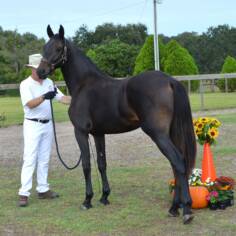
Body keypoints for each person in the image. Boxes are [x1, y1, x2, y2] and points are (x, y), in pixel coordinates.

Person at [18, 54, 71, 207]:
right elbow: (30, 104)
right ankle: (24, 193)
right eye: (37, 68)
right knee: (30, 158)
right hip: (32, 125)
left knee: (44, 158)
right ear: (32, 69)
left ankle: (43, 189)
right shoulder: (25, 84)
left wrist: (80, 98)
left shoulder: (49, 82)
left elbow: (62, 99)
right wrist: (44, 96)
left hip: (47, 125)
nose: (40, 71)